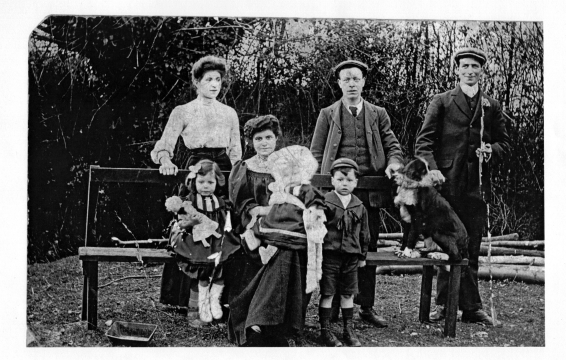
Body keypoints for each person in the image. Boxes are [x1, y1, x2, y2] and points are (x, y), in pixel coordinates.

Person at [415, 47, 510, 326]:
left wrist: (491, 149)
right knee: (448, 244)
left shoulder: (492, 105)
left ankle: (471, 308)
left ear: (482, 70)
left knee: (472, 245)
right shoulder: (442, 101)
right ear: (457, 70)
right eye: (465, 66)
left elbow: (505, 143)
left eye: (475, 67)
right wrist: (432, 169)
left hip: (477, 186)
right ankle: (444, 305)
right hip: (447, 185)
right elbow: (424, 142)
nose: (470, 71)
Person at [310, 59, 403, 327]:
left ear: (363, 82)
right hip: (335, 196)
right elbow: (316, 154)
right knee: (336, 249)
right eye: (346, 79)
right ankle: (336, 304)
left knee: (367, 248)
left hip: (369, 194)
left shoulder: (378, 113)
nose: (351, 83)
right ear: (339, 83)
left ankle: (366, 306)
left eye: (356, 79)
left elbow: (392, 145)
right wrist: (317, 192)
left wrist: (394, 163)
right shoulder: (327, 114)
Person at [150, 55, 242, 326]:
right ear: (197, 82)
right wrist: (166, 161)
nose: (214, 85)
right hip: (196, 170)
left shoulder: (229, 113)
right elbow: (164, 144)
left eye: (218, 80)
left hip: (222, 174)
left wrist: (236, 179)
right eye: (208, 80)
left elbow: (236, 151)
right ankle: (188, 303)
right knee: (194, 230)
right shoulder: (183, 110)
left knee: (223, 230)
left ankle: (220, 303)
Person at [229, 145, 326, 347]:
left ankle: (271, 323)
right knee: (277, 251)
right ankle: (262, 321)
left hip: (295, 231)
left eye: (296, 172)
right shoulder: (279, 189)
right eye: (287, 173)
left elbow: (316, 205)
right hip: (274, 228)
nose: (291, 176)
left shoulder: (305, 189)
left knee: (285, 254)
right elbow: (265, 209)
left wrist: (314, 213)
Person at [225, 115, 280, 344]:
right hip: (251, 225)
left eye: (269, 137)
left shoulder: (286, 167)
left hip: (279, 226)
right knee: (250, 251)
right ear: (250, 142)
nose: (264, 142)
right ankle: (248, 321)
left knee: (286, 254)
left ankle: (273, 322)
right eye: (258, 138)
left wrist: (278, 213)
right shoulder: (244, 167)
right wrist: (258, 211)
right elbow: (239, 202)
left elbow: (296, 198)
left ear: (277, 139)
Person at [164, 160, 237, 324]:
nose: (205, 186)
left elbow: (225, 222)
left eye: (210, 182)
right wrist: (191, 222)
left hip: (216, 239)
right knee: (202, 270)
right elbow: (181, 222)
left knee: (220, 266)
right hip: (194, 239)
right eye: (201, 182)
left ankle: (214, 304)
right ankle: (196, 311)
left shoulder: (220, 202)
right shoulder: (189, 201)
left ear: (217, 182)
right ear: (193, 182)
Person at [319, 158, 370, 347]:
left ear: (356, 182)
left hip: (351, 257)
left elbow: (365, 233)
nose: (344, 184)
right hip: (330, 256)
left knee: (348, 293)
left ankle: (348, 330)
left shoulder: (359, 206)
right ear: (332, 180)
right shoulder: (325, 203)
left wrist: (362, 255)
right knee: (328, 292)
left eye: (349, 180)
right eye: (340, 179)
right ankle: (325, 330)